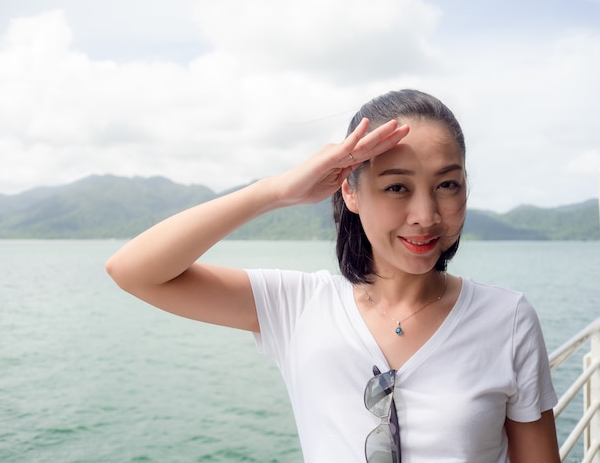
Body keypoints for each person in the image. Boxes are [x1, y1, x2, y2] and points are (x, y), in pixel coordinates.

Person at [106, 89, 560, 462]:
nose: (425, 215)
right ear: (351, 191)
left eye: (447, 185)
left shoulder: (507, 318)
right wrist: (277, 191)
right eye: (397, 187)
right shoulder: (299, 305)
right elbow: (134, 271)